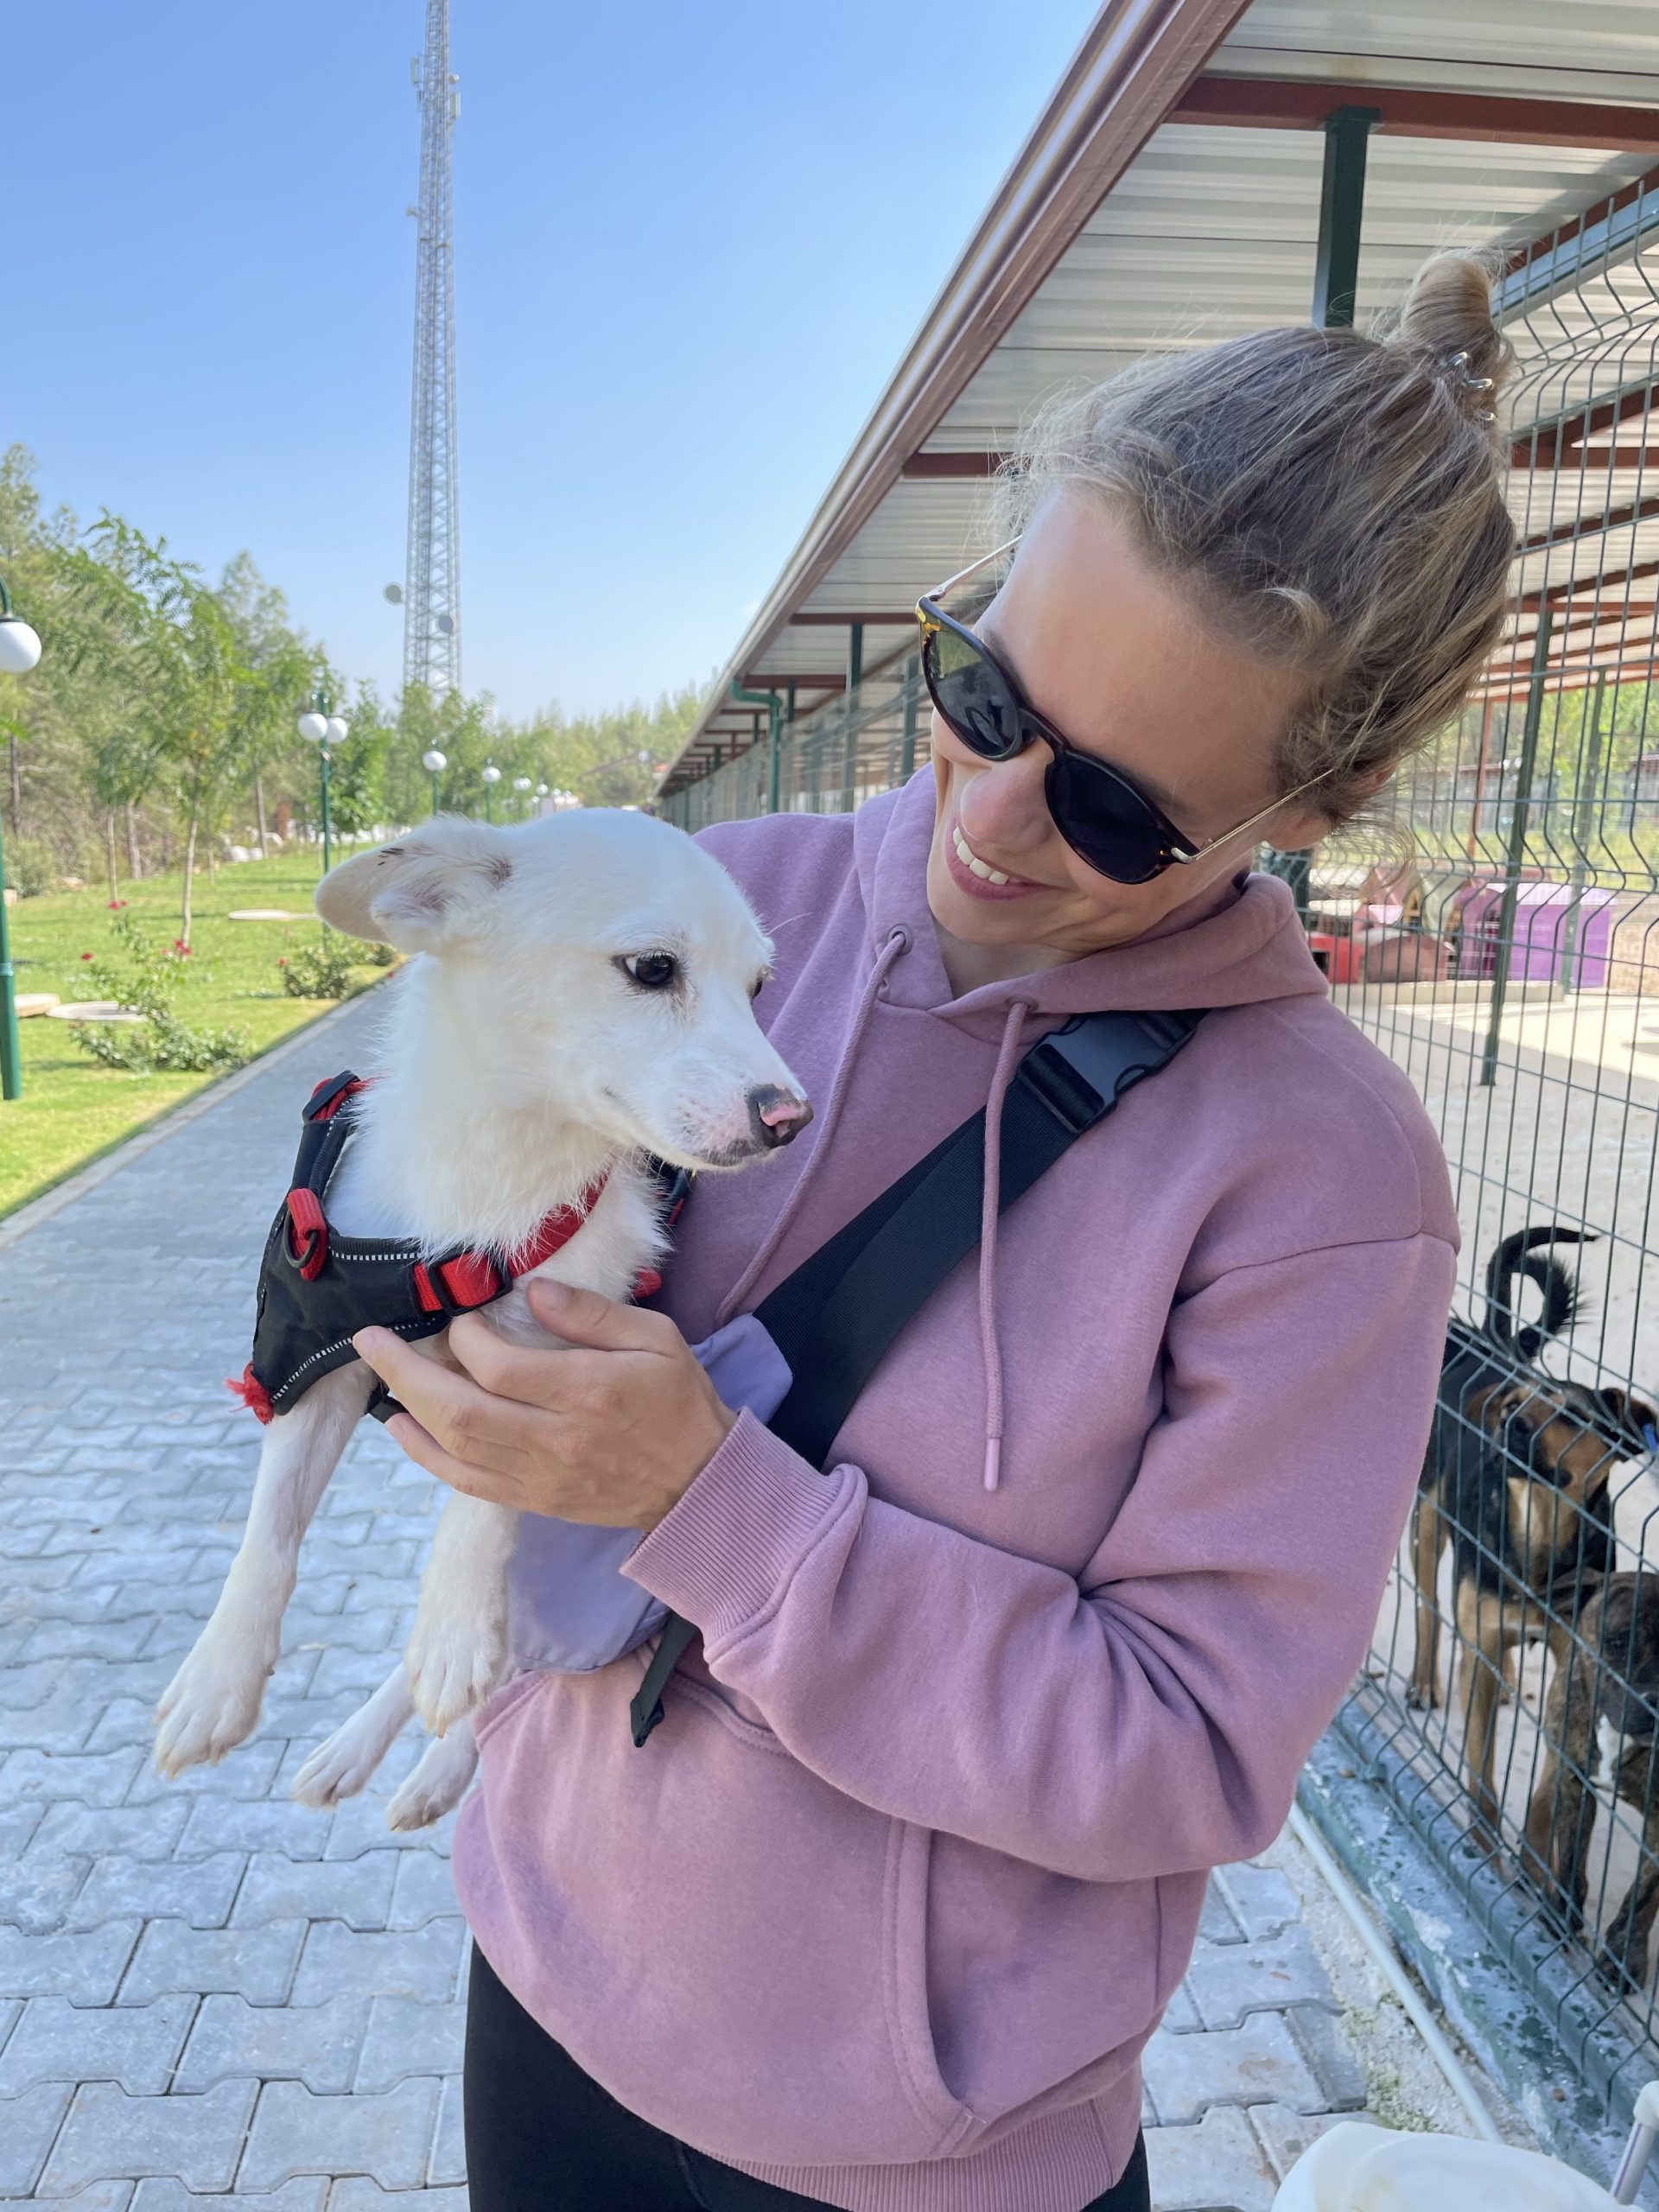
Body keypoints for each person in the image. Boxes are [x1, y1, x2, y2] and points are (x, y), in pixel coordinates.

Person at [352, 251, 1516, 2212]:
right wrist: (401, 1288)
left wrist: (713, 1502)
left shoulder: (1323, 1178)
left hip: (917, 2142)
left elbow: (1190, 1746)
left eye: (1120, 811)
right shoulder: (723, 910)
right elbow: (478, 1257)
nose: (992, 818)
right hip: (542, 1971)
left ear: (1329, 799)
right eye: (983, 695)